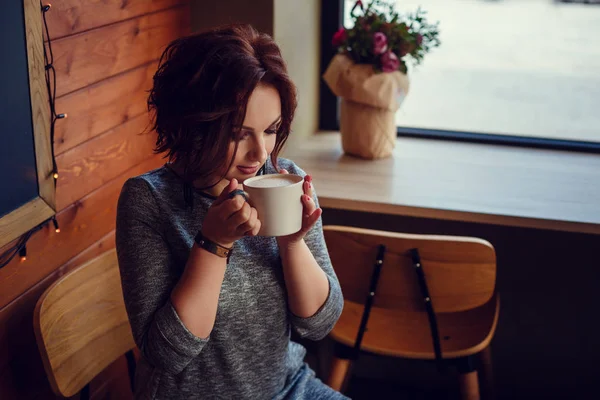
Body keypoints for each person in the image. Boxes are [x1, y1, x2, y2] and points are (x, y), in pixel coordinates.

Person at [115, 24, 347, 399]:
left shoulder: (287, 180)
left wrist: (292, 242)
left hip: (286, 387)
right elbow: (167, 354)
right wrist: (213, 243)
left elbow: (320, 323)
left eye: (271, 130)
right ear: (193, 126)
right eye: (240, 133)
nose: (259, 154)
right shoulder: (148, 201)